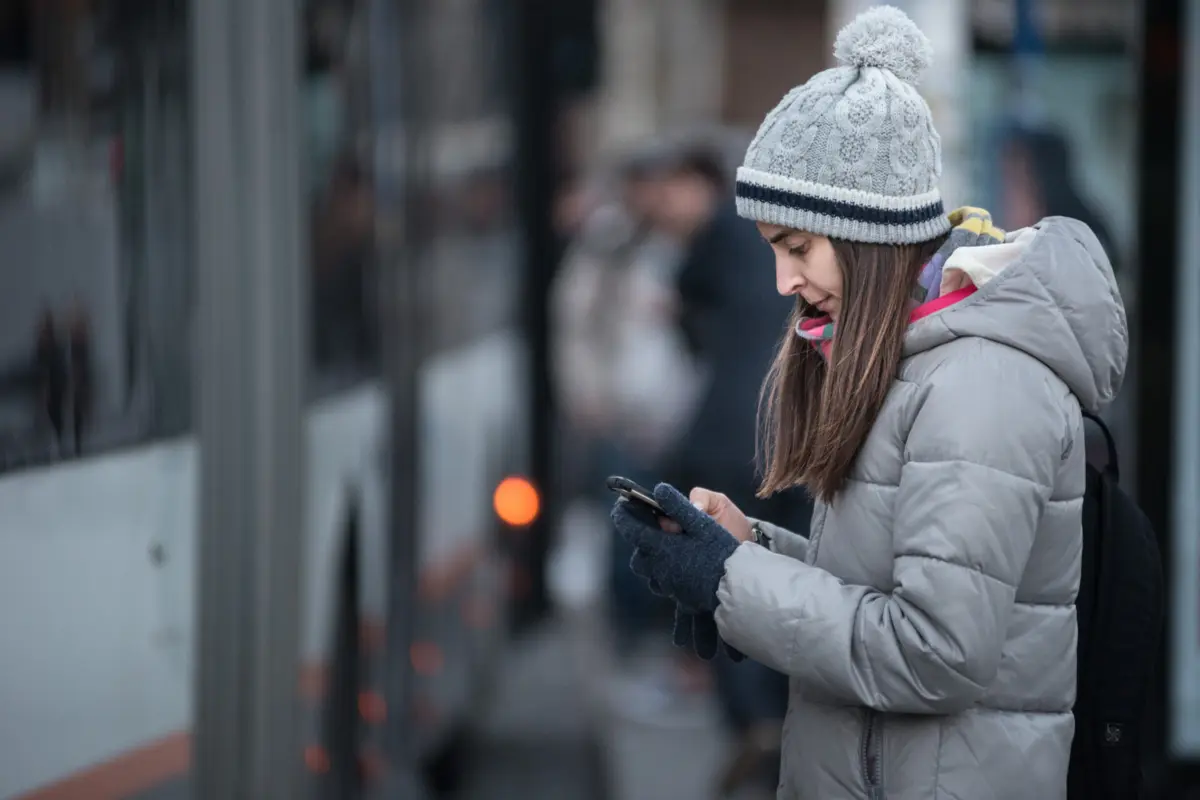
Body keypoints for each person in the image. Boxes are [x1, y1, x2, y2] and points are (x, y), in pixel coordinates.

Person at [610, 6, 1128, 800]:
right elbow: (893, 588)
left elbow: (935, 652)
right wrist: (746, 553)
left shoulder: (980, 384)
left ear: (867, 233)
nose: (785, 283)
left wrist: (731, 583)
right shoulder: (917, 361)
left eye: (797, 248)